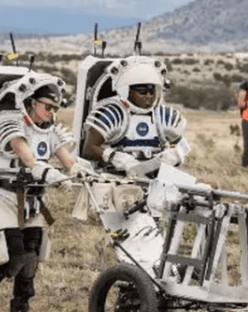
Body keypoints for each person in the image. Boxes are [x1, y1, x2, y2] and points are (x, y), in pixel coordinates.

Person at [0, 74, 79, 312]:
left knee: (32, 257)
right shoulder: (10, 125)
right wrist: (48, 172)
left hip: (33, 201)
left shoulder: (50, 131)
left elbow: (67, 160)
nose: (51, 113)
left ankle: (20, 310)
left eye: (55, 108)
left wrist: (78, 173)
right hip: (3, 198)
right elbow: (28, 158)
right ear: (31, 103)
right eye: (47, 106)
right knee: (14, 255)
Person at [81, 56, 190, 275]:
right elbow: (89, 148)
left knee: (159, 234)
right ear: (127, 91)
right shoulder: (110, 114)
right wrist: (115, 157)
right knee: (132, 243)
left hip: (154, 183)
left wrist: (175, 155)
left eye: (152, 91)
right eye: (142, 91)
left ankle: (154, 281)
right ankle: (135, 285)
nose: (149, 97)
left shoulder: (162, 117)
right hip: (118, 184)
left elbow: (182, 144)